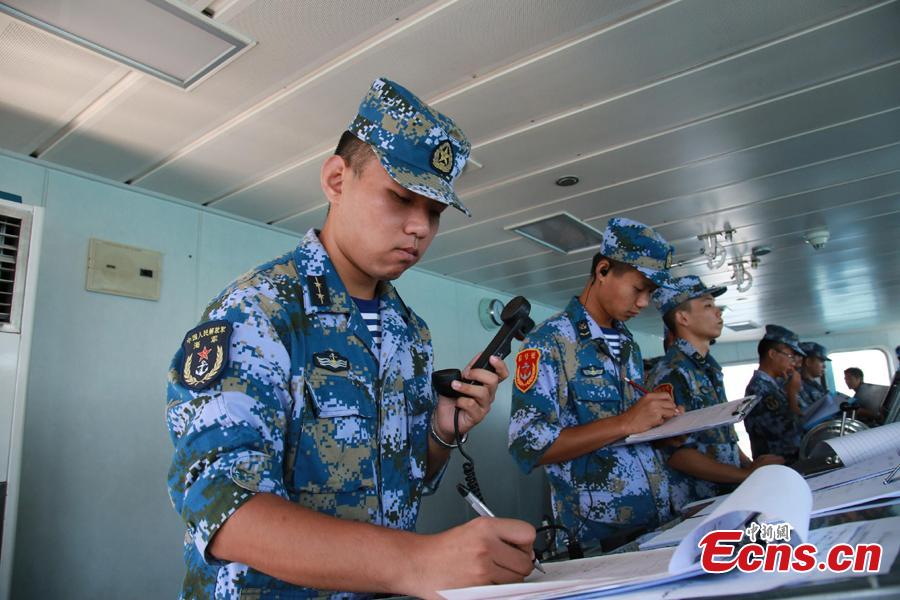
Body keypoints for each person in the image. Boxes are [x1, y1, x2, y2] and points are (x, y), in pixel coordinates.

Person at [165, 78, 535, 599]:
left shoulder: (410, 332)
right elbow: (221, 508)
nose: (420, 229)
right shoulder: (258, 312)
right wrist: (419, 562)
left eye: (434, 212)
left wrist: (444, 430)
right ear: (337, 179)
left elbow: (406, 480)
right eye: (402, 198)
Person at [507, 218, 681, 549]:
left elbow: (625, 434)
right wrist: (626, 421)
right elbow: (527, 444)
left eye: (652, 293)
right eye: (639, 288)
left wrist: (662, 430)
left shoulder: (628, 343)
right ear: (602, 271)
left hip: (655, 521)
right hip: (597, 538)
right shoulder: (549, 341)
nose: (644, 303)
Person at [646, 276, 783, 511]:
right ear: (683, 317)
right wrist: (745, 475)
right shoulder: (672, 372)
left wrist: (751, 468)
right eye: (708, 305)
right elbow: (678, 454)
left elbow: (723, 434)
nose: (718, 313)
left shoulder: (707, 368)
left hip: (725, 496)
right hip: (698, 503)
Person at [743, 325, 806, 462]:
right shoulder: (759, 389)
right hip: (779, 465)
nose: (793, 362)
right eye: (790, 356)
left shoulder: (775, 385)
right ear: (772, 354)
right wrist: (792, 393)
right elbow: (791, 432)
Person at [797, 342, 832, 413]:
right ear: (808, 362)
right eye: (821, 361)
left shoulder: (815, 385)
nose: (824, 366)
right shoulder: (798, 386)